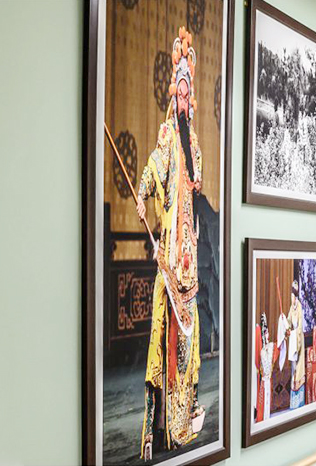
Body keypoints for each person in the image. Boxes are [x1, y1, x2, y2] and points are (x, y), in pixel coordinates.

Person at [137, 27, 205, 461]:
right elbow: (151, 171)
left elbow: (197, 182)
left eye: (187, 95)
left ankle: (185, 419)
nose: (183, 101)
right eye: (178, 94)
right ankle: (159, 427)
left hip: (189, 258)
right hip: (170, 253)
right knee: (164, 335)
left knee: (188, 342)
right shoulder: (166, 137)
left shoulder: (192, 142)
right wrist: (143, 195)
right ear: (172, 98)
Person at [286, 281, 306, 409]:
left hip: (298, 339)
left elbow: (299, 326)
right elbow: (289, 321)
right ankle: (293, 403)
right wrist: (286, 326)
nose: (291, 299)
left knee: (299, 368)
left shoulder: (299, 307)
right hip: (293, 338)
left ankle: (299, 402)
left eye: (292, 297)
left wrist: (296, 338)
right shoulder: (291, 308)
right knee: (293, 369)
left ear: (296, 297)